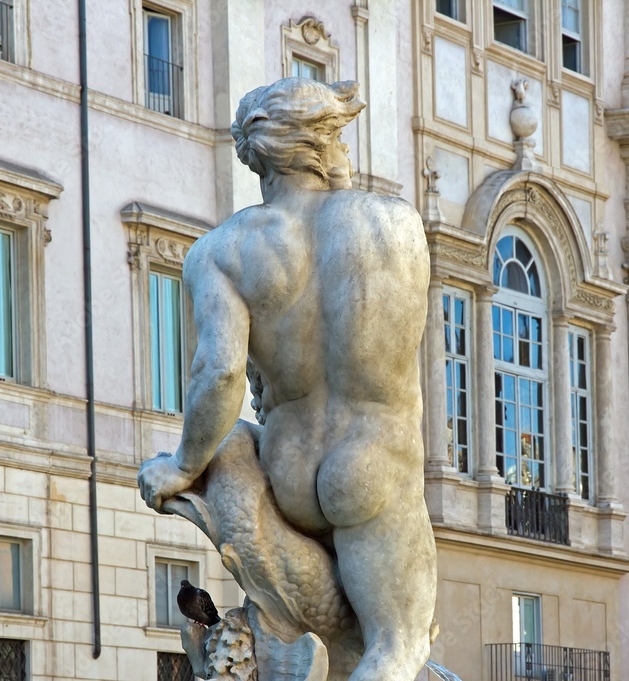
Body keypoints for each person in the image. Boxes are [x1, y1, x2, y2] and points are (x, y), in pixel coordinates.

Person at [138, 78, 436, 681]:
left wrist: (183, 464)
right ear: (328, 143)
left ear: (255, 157)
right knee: (396, 648)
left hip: (287, 468)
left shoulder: (222, 250)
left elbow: (219, 374)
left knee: (232, 446)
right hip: (371, 461)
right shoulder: (394, 224)